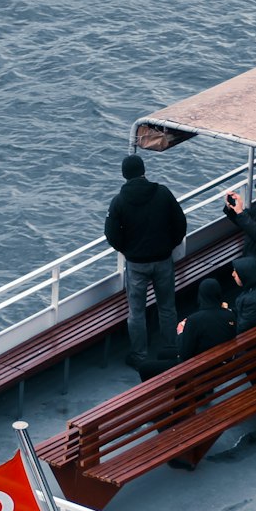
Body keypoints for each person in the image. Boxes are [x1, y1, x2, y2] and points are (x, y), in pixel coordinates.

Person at [106, 153, 187, 370]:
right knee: (167, 307)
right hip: (162, 259)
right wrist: (170, 244)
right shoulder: (162, 193)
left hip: (136, 264)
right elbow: (180, 223)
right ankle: (171, 349)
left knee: (136, 312)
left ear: (124, 175)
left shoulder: (119, 202)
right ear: (144, 171)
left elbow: (112, 235)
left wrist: (128, 250)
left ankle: (139, 355)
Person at [137, 277, 235, 381]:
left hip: (196, 367)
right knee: (163, 353)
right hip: (217, 361)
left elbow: (184, 353)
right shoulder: (230, 315)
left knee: (145, 367)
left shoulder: (195, 320)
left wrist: (181, 332)